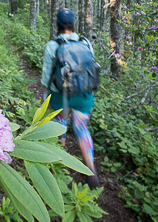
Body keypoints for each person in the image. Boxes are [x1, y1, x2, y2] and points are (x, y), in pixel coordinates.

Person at [41, 8, 99, 188]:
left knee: (61, 126)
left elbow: (46, 77)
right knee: (81, 128)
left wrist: (45, 99)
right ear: (74, 24)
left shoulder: (53, 45)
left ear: (57, 24)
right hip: (83, 94)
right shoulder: (86, 42)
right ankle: (91, 170)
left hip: (61, 95)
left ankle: (60, 165)